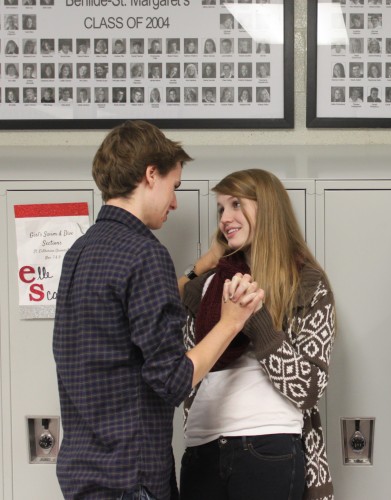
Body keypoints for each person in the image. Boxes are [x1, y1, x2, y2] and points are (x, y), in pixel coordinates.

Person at [53, 121, 263, 500]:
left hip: (83, 477)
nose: (175, 202)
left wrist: (200, 268)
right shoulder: (145, 254)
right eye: (174, 186)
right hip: (131, 480)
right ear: (151, 174)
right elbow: (172, 380)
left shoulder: (78, 253)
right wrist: (232, 321)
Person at [178, 169, 335, 500]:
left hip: (269, 445)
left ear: (268, 208)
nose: (225, 218)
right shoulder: (202, 288)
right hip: (202, 449)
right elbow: (181, 374)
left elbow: (308, 389)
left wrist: (257, 321)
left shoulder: (306, 284)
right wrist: (202, 267)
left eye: (236, 204)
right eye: (221, 209)